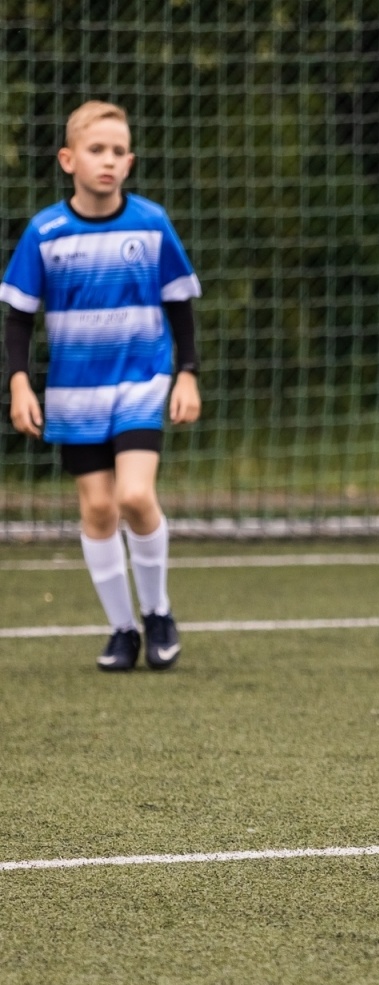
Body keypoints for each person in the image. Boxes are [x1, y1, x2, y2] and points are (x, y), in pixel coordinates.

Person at [3, 100, 201, 671]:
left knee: (134, 496)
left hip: (142, 380)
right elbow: (17, 316)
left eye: (118, 151)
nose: (108, 161)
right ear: (68, 159)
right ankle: (122, 629)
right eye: (96, 150)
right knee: (96, 510)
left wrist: (187, 373)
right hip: (75, 393)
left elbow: (180, 304)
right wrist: (20, 382)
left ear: (130, 160)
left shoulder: (151, 223)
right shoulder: (45, 232)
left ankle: (159, 611)